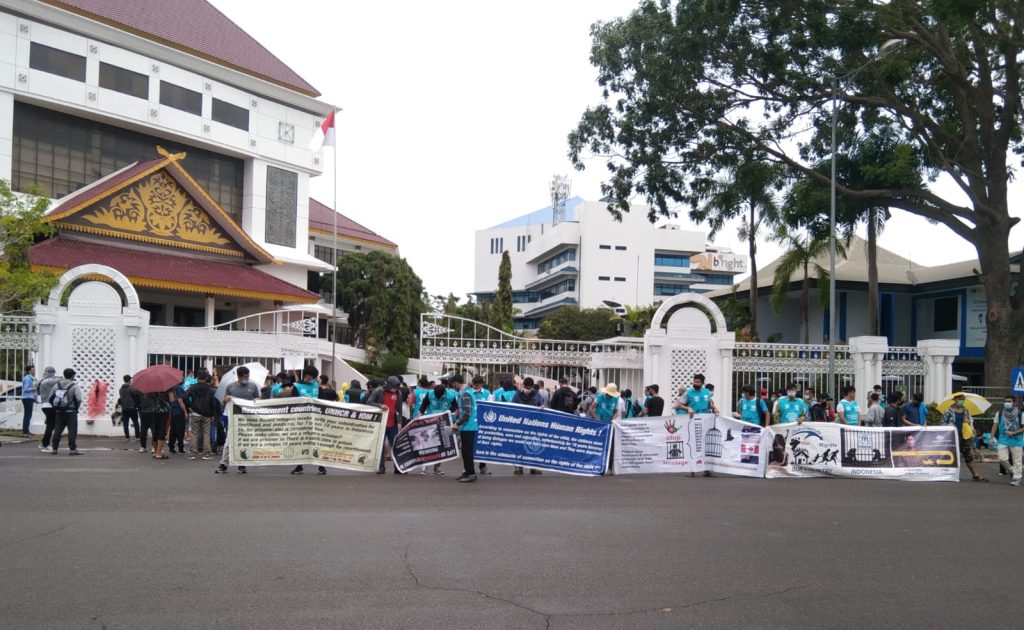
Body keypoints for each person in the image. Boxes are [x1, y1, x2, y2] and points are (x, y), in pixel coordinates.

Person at [215, 366, 259, 474]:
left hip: (247, 419)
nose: (247, 378)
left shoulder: (253, 386)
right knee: (229, 441)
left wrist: (256, 400)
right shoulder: (230, 387)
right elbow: (224, 401)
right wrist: (227, 399)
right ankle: (223, 464)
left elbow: (258, 398)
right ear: (239, 376)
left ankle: (241, 464)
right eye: (245, 376)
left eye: (248, 376)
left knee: (244, 442)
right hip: (233, 418)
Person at [942, 393, 987, 482]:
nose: (961, 401)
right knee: (955, 456)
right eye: (960, 399)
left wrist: (969, 423)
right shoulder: (948, 411)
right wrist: (950, 426)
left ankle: (975, 475)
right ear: (954, 400)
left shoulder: (966, 410)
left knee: (969, 455)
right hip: (953, 437)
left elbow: (969, 421)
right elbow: (943, 423)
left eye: (963, 399)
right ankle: (954, 475)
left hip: (965, 436)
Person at [455, 375, 488, 483]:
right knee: (465, 452)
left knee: (467, 452)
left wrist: (457, 423)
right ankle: (467, 472)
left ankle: (471, 473)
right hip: (467, 426)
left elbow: (467, 412)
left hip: (468, 426)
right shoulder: (468, 392)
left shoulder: (466, 394)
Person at [184, 371, 220, 460]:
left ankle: (193, 453)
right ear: (206, 378)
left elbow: (184, 397)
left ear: (197, 378)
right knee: (206, 434)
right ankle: (207, 453)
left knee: (194, 434)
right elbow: (213, 402)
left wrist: (189, 407)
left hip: (195, 412)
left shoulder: (193, 387)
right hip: (207, 414)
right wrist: (213, 413)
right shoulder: (210, 389)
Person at [512, 377, 544, 474]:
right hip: (524, 424)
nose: (528, 389)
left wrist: (541, 408)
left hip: (531, 424)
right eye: (527, 387)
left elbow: (541, 405)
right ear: (524, 385)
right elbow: (512, 407)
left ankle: (531, 467)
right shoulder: (518, 394)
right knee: (521, 445)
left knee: (532, 445)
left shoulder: (535, 394)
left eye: (529, 387)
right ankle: (519, 467)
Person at [49, 368, 82, 455]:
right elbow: (79, 399)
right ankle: (72, 449)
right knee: (72, 430)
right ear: (73, 375)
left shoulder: (57, 385)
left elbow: (50, 398)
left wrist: (56, 407)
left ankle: (54, 449)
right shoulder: (74, 386)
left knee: (57, 430)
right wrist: (76, 408)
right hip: (71, 412)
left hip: (59, 411)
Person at [992, 396, 1022, 486]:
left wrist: (1013, 433)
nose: (1007, 403)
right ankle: (1012, 471)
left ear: (1014, 403)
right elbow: (995, 425)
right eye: (1005, 401)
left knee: (1017, 460)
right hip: (1003, 438)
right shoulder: (1000, 413)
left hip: (1016, 439)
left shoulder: (1020, 414)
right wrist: (991, 437)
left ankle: (1017, 478)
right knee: (1002, 458)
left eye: (1009, 401)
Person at [36, 367, 60, 451]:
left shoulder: (40, 381)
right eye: (53, 373)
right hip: (50, 405)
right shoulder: (48, 381)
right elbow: (60, 380)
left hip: (44, 405)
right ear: (50, 373)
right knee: (50, 426)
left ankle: (44, 443)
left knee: (50, 425)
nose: (54, 375)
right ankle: (45, 444)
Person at [117, 375, 142, 441]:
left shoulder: (120, 389)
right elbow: (137, 394)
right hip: (132, 408)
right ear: (129, 380)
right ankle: (137, 437)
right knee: (136, 422)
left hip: (124, 408)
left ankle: (127, 437)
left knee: (125, 423)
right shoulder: (131, 388)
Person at [21, 365, 36, 437]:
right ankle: (25, 431)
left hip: (30, 398)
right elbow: (26, 389)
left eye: (34, 370)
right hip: (27, 398)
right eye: (32, 370)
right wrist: (34, 388)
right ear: (29, 371)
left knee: (28, 415)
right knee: (27, 415)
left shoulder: (32, 378)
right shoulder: (27, 378)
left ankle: (26, 430)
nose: (34, 371)